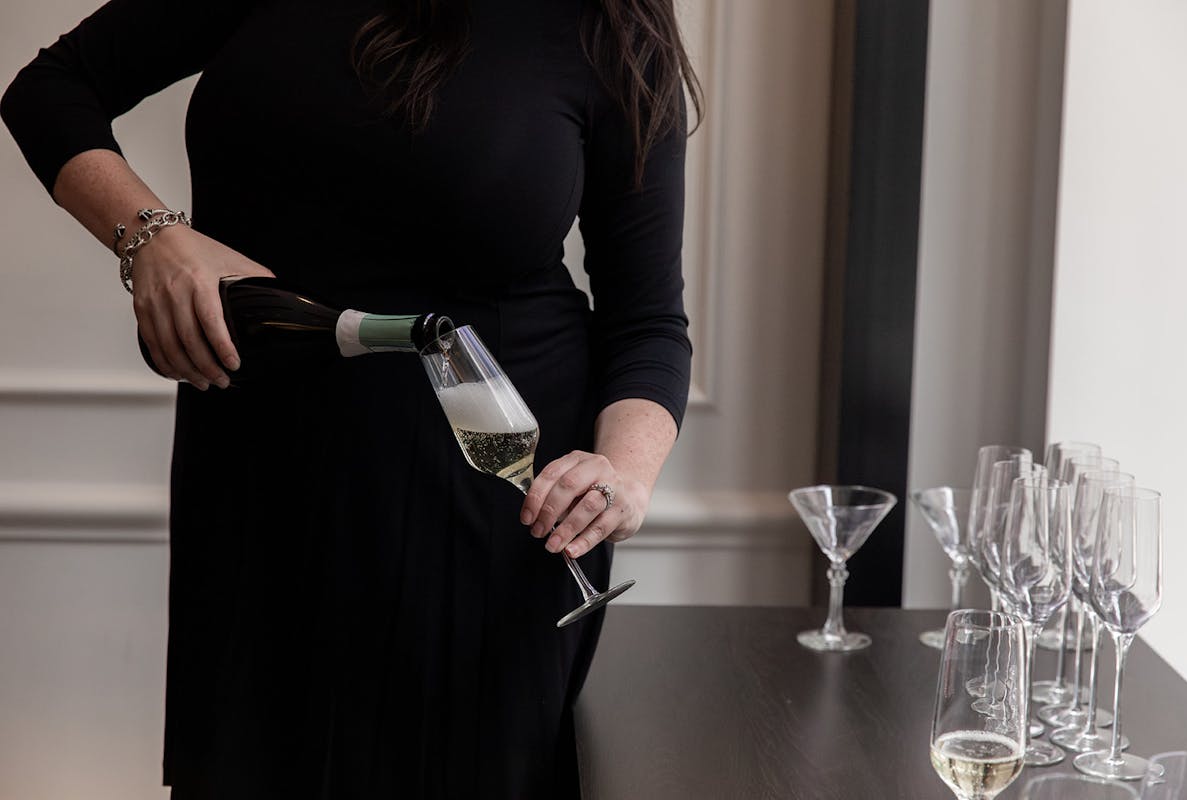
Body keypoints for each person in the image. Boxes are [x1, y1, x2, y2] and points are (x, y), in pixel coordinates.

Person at [2, 0, 699, 798]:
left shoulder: (609, 20)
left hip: (490, 504)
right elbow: (51, 90)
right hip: (260, 483)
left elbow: (647, 321)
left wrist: (622, 470)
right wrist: (151, 236)